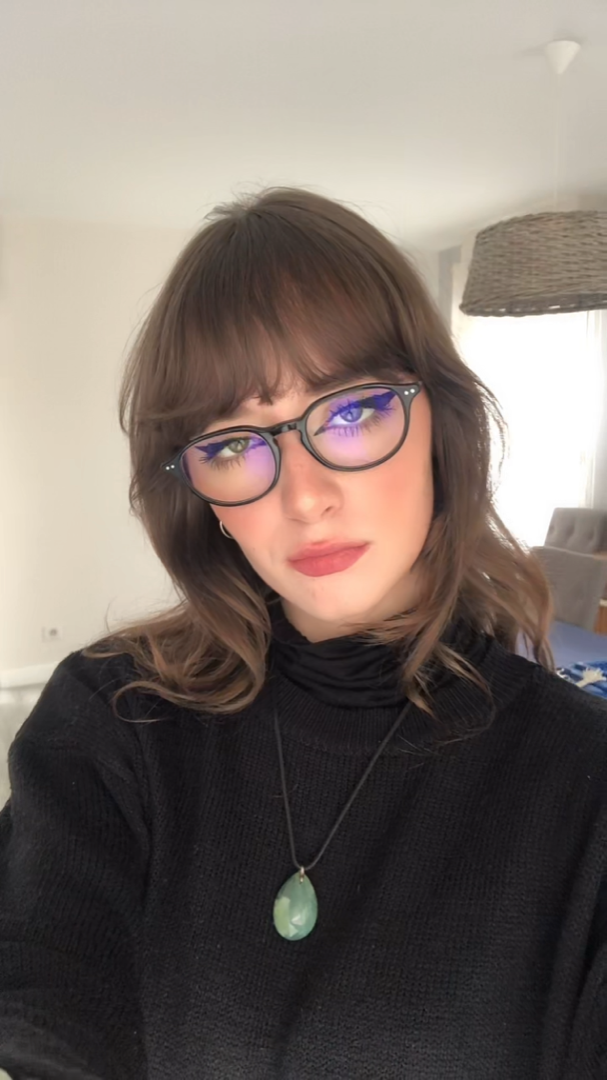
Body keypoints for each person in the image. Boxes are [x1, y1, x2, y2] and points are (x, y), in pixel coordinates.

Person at [0, 187, 605, 1080]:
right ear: (202, 498)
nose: (304, 497)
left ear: (439, 426)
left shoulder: (582, 777)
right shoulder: (112, 719)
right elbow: (44, 1001)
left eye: (352, 412)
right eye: (232, 443)